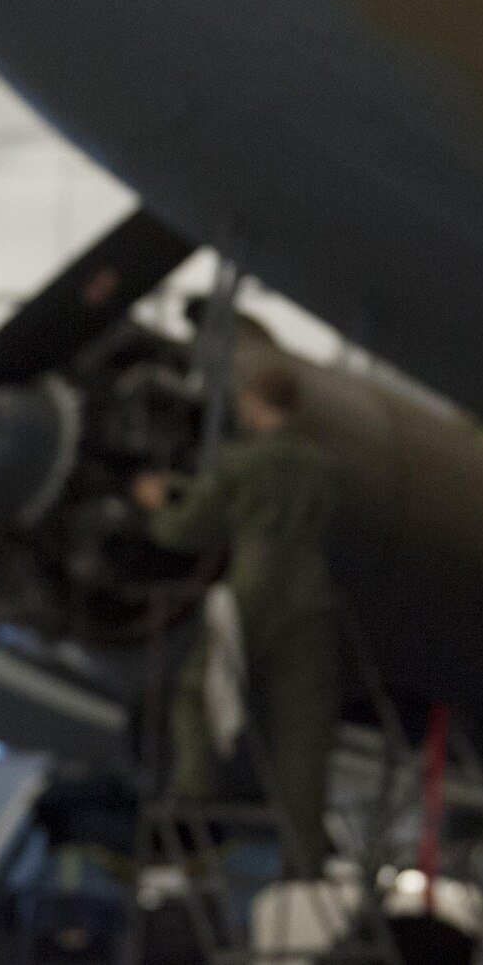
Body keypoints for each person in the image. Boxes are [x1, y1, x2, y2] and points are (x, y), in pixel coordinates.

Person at [133, 362, 341, 876]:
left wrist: (157, 504)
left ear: (256, 402)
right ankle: (305, 865)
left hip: (253, 595)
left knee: (194, 689)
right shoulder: (318, 464)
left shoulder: (238, 462)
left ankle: (195, 784)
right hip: (313, 604)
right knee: (302, 739)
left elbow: (186, 530)